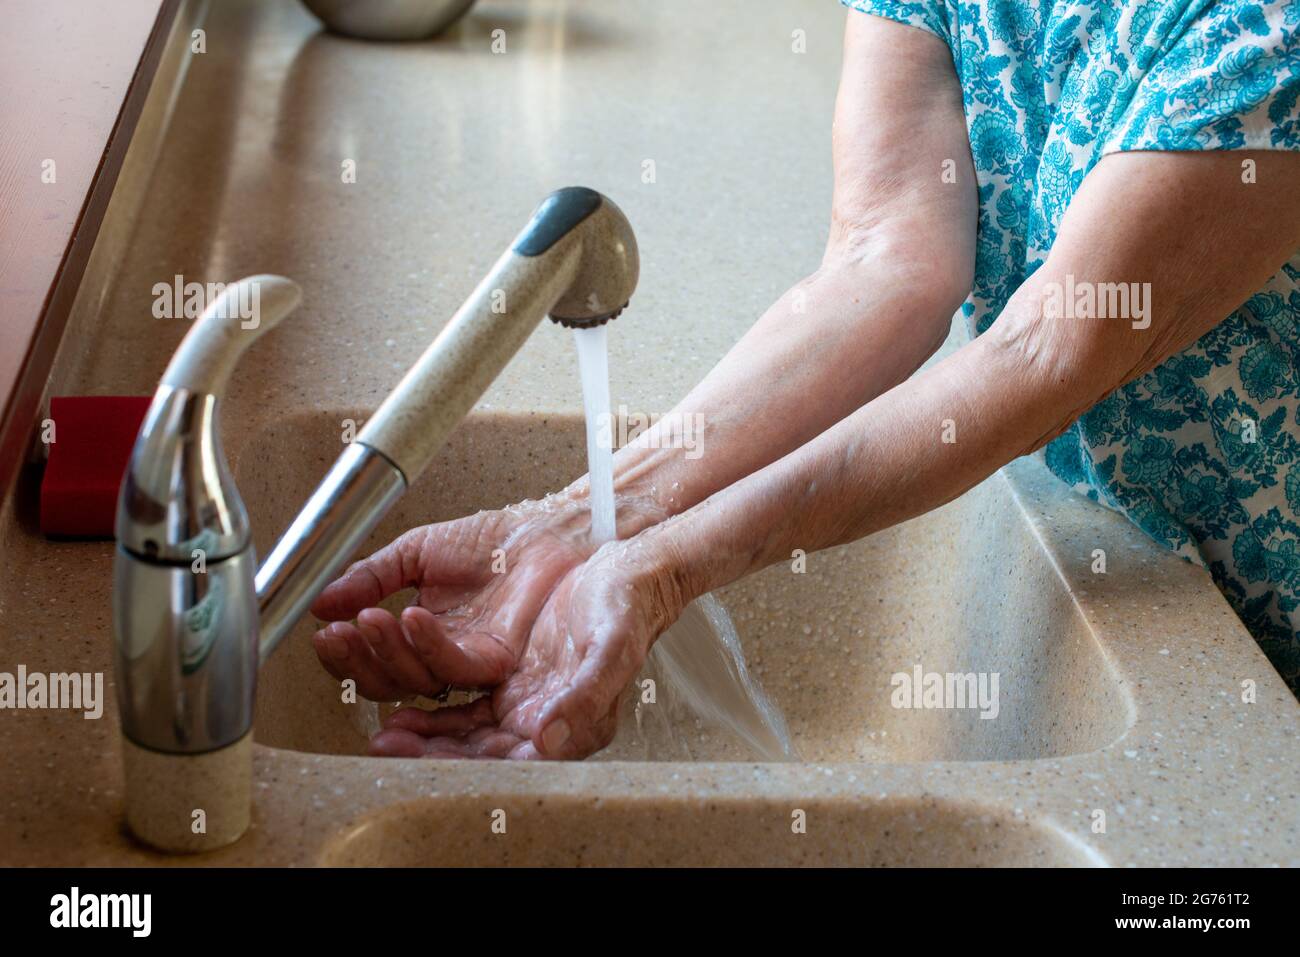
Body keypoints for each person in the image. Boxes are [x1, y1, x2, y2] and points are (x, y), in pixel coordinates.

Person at [310, 1, 1300, 758]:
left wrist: (659, 573)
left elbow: (1047, 350)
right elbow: (884, 264)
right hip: (1154, 552)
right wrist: (577, 524)